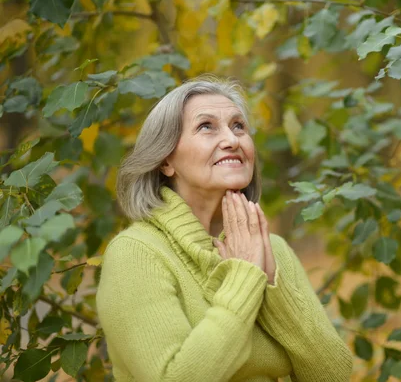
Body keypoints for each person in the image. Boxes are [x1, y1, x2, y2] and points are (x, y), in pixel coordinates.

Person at [95, 76, 353, 382]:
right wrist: (245, 276)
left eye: (239, 126)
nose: (232, 140)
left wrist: (272, 284)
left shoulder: (273, 249)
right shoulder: (136, 254)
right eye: (207, 126)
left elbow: (334, 375)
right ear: (166, 160)